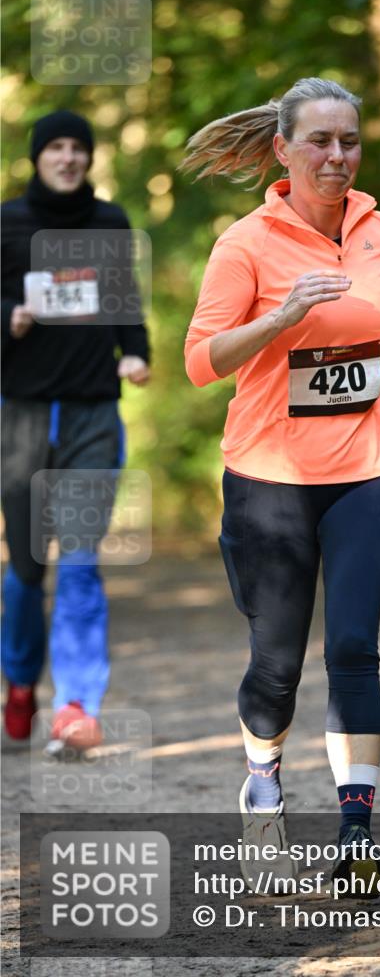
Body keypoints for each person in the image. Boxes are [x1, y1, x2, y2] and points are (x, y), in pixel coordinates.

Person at [182, 78, 380, 891]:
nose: (336, 157)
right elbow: (202, 362)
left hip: (372, 465)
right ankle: (263, 781)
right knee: (275, 665)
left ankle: (354, 832)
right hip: (270, 477)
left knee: (352, 648)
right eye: (319, 142)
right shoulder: (245, 245)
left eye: (348, 142)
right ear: (282, 149)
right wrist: (280, 316)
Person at [1, 110, 151, 751]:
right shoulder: (6, 223)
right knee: (29, 568)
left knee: (83, 558)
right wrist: (8, 315)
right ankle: (18, 679)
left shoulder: (109, 221)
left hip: (93, 409)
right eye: (56, 147)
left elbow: (122, 296)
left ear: (90, 158)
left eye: (78, 148)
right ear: (38, 157)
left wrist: (137, 350)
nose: (68, 158)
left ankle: (76, 705)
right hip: (23, 413)